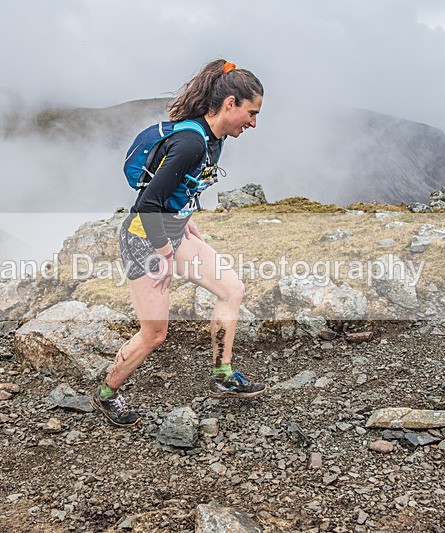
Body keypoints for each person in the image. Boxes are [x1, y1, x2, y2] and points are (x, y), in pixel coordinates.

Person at [92, 59, 267, 427]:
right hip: (145, 240)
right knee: (155, 334)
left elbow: (180, 190)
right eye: (251, 113)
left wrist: (187, 224)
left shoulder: (214, 140)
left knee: (232, 289)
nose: (253, 123)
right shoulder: (190, 142)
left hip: (173, 233)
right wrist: (165, 253)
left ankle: (223, 376)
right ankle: (107, 394)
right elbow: (146, 204)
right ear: (230, 103)